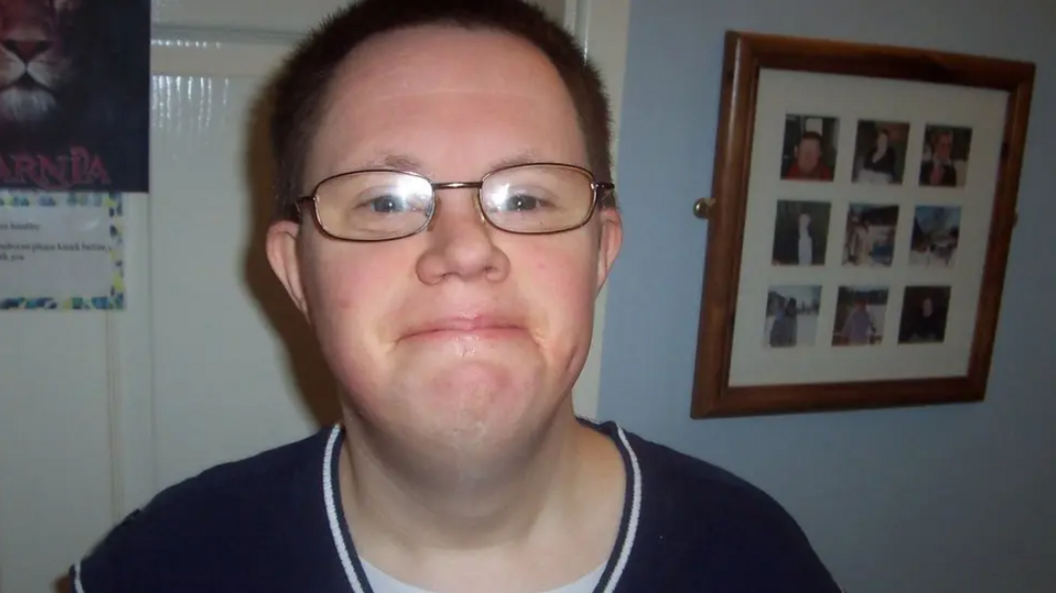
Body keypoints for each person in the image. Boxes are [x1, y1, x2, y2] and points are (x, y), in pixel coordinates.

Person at [67, 1, 843, 591]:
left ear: (600, 250)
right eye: (383, 201)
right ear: (298, 272)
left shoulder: (755, 557)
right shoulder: (163, 565)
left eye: (528, 198)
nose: (466, 249)